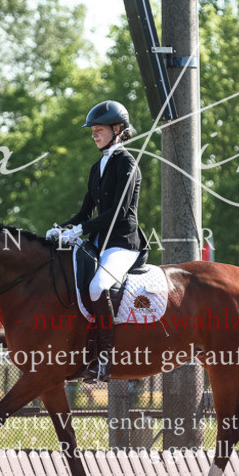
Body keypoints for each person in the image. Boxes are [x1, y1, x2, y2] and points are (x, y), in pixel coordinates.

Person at [46, 101, 148, 384]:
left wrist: (80, 230)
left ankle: (104, 359)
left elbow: (118, 212)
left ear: (117, 129)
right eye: (92, 130)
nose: (93, 134)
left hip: (123, 243)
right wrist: (62, 228)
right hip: (99, 242)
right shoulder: (97, 167)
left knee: (97, 286)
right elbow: (85, 212)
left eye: (99, 129)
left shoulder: (127, 163)